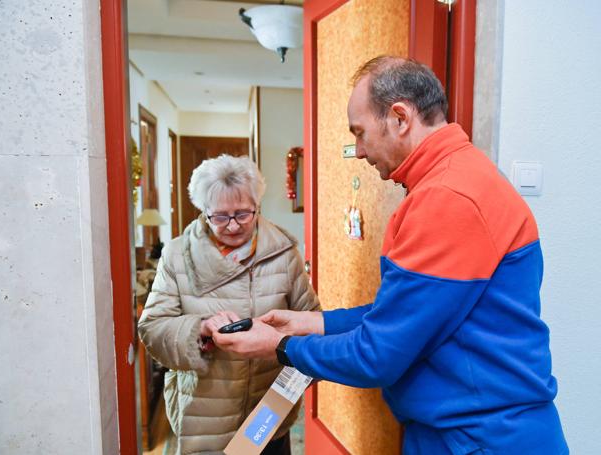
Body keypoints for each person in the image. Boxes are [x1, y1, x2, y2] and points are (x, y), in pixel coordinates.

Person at [209, 56, 569, 455]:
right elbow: (405, 315)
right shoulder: (458, 178)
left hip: (482, 438)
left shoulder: (448, 198)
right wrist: (315, 322)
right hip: (463, 431)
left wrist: (280, 346)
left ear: (399, 117)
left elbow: (378, 354)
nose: (359, 151)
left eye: (360, 133)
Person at [138, 154, 320, 455]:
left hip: (269, 413)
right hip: (203, 416)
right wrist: (201, 328)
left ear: (256, 206)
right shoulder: (176, 255)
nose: (233, 226)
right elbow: (153, 328)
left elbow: (311, 321)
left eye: (243, 214)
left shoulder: (284, 254)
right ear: (203, 210)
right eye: (220, 216)